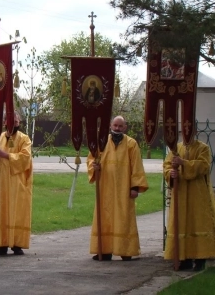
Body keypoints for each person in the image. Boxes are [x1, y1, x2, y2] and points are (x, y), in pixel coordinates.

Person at [87, 116, 148, 261]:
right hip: (105, 187)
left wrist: (135, 187)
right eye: (115, 125)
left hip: (124, 188)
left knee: (124, 218)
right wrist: (94, 167)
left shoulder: (131, 144)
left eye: (120, 126)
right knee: (105, 216)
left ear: (125, 127)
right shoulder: (101, 142)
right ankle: (104, 250)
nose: (117, 128)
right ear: (110, 125)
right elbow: (92, 158)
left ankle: (125, 250)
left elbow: (136, 166)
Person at [0, 111, 33, 255]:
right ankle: (2, 243)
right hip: (1, 182)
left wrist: (4, 155)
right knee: (1, 209)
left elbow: (25, 158)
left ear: (19, 122)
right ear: (4, 123)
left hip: (17, 183)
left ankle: (17, 243)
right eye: (11, 121)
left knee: (17, 210)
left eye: (16, 121)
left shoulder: (24, 139)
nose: (14, 123)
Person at [163, 139, 215, 271]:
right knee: (181, 224)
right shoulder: (176, 148)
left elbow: (203, 166)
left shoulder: (203, 148)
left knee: (197, 222)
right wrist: (171, 173)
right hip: (180, 192)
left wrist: (183, 163)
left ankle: (200, 259)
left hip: (197, 193)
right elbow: (167, 165)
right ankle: (183, 259)